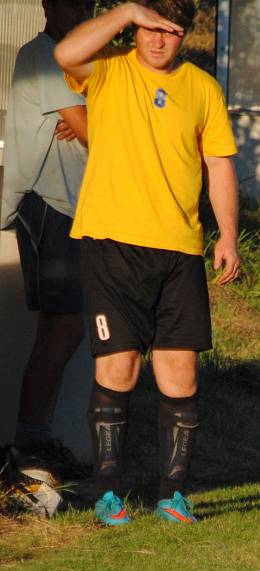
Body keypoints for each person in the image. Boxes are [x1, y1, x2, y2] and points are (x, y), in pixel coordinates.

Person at [54, 0, 241, 526]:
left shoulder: (204, 88)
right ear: (135, 28)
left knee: (180, 377)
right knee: (120, 366)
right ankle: (108, 494)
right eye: (149, 29)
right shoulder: (107, 68)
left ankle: (172, 496)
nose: (159, 41)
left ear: (185, 33)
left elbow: (218, 163)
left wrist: (227, 234)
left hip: (180, 249)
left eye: (170, 31)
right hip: (110, 242)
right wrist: (126, 12)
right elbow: (66, 51)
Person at [0, 0, 94, 477]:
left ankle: (34, 440)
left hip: (77, 207)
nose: (82, 10)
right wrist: (87, 118)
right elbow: (90, 129)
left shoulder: (89, 61)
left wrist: (88, 116)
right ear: (47, 5)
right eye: (71, 1)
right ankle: (29, 441)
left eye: (89, 2)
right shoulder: (43, 55)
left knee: (61, 328)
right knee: (65, 325)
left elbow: (89, 124)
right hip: (48, 204)